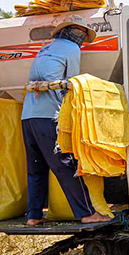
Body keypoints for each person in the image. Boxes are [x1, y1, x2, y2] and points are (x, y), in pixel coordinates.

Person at [21, 15, 111, 226]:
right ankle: (87, 213)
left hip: (28, 116)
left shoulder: (46, 48)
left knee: (36, 168)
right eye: (80, 33)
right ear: (75, 34)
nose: (80, 38)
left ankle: (33, 216)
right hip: (48, 116)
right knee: (65, 164)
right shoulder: (72, 48)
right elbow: (72, 83)